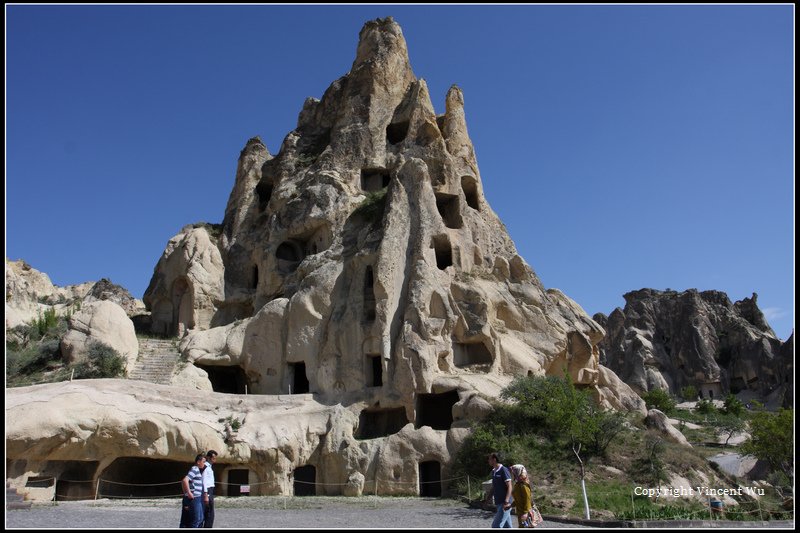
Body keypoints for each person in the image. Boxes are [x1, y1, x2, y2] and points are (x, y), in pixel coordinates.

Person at [180, 454, 206, 528]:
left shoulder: (196, 470)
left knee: (200, 518)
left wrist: (186, 493)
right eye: (203, 462)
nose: (204, 464)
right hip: (194, 498)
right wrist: (188, 493)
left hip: (196, 498)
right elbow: (185, 480)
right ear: (198, 462)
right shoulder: (195, 469)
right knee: (195, 520)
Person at [488, 452, 514, 528]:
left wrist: (506, 501)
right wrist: (487, 500)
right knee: (507, 526)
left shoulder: (503, 470)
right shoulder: (493, 471)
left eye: (489, 459)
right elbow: (494, 487)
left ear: (494, 459)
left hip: (505, 503)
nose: (488, 461)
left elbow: (510, 486)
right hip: (498, 502)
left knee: (496, 526)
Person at [202, 450, 218, 528]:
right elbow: (204, 480)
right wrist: (205, 493)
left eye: (215, 458)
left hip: (210, 490)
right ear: (208, 457)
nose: (214, 460)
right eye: (213, 458)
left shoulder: (209, 467)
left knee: (210, 512)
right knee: (209, 512)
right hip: (207, 490)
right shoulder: (205, 467)